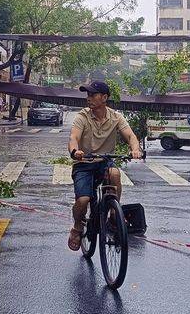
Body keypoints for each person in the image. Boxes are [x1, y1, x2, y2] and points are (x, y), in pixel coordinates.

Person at [67, 81, 141, 251]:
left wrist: (136, 149)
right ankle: (78, 227)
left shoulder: (116, 117)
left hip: (104, 160)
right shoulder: (82, 117)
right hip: (84, 162)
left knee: (114, 174)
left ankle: (114, 212)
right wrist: (75, 150)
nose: (89, 98)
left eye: (93, 95)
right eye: (88, 95)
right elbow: (73, 138)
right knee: (83, 199)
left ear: (104, 98)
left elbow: (130, 135)